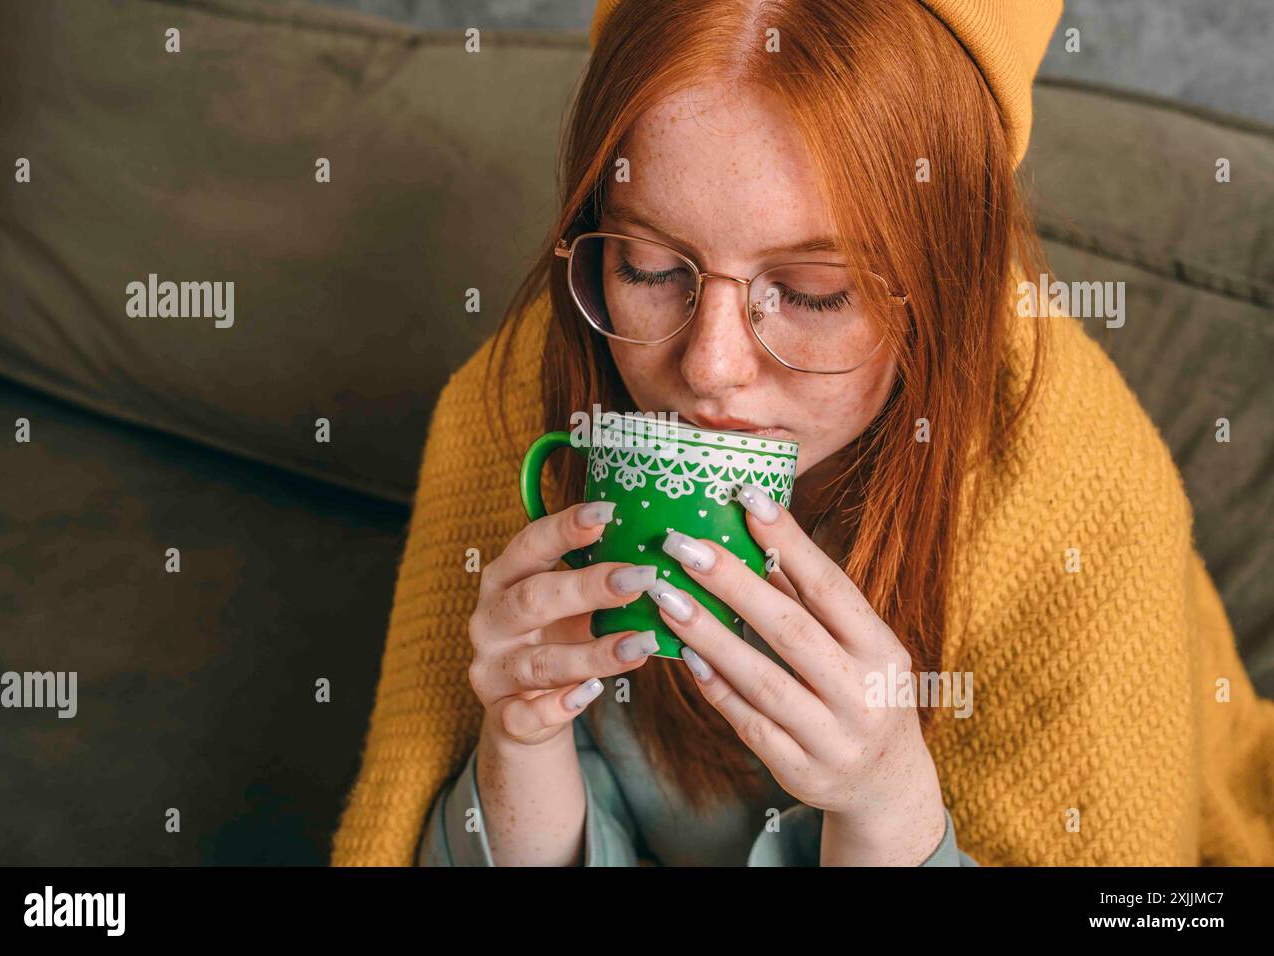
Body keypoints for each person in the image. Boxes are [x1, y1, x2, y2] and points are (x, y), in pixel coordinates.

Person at [331, 0, 1274, 866]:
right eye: (652, 266)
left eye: (817, 293)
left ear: (952, 284)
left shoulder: (1087, 497)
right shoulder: (524, 402)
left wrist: (889, 811)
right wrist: (522, 742)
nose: (709, 368)